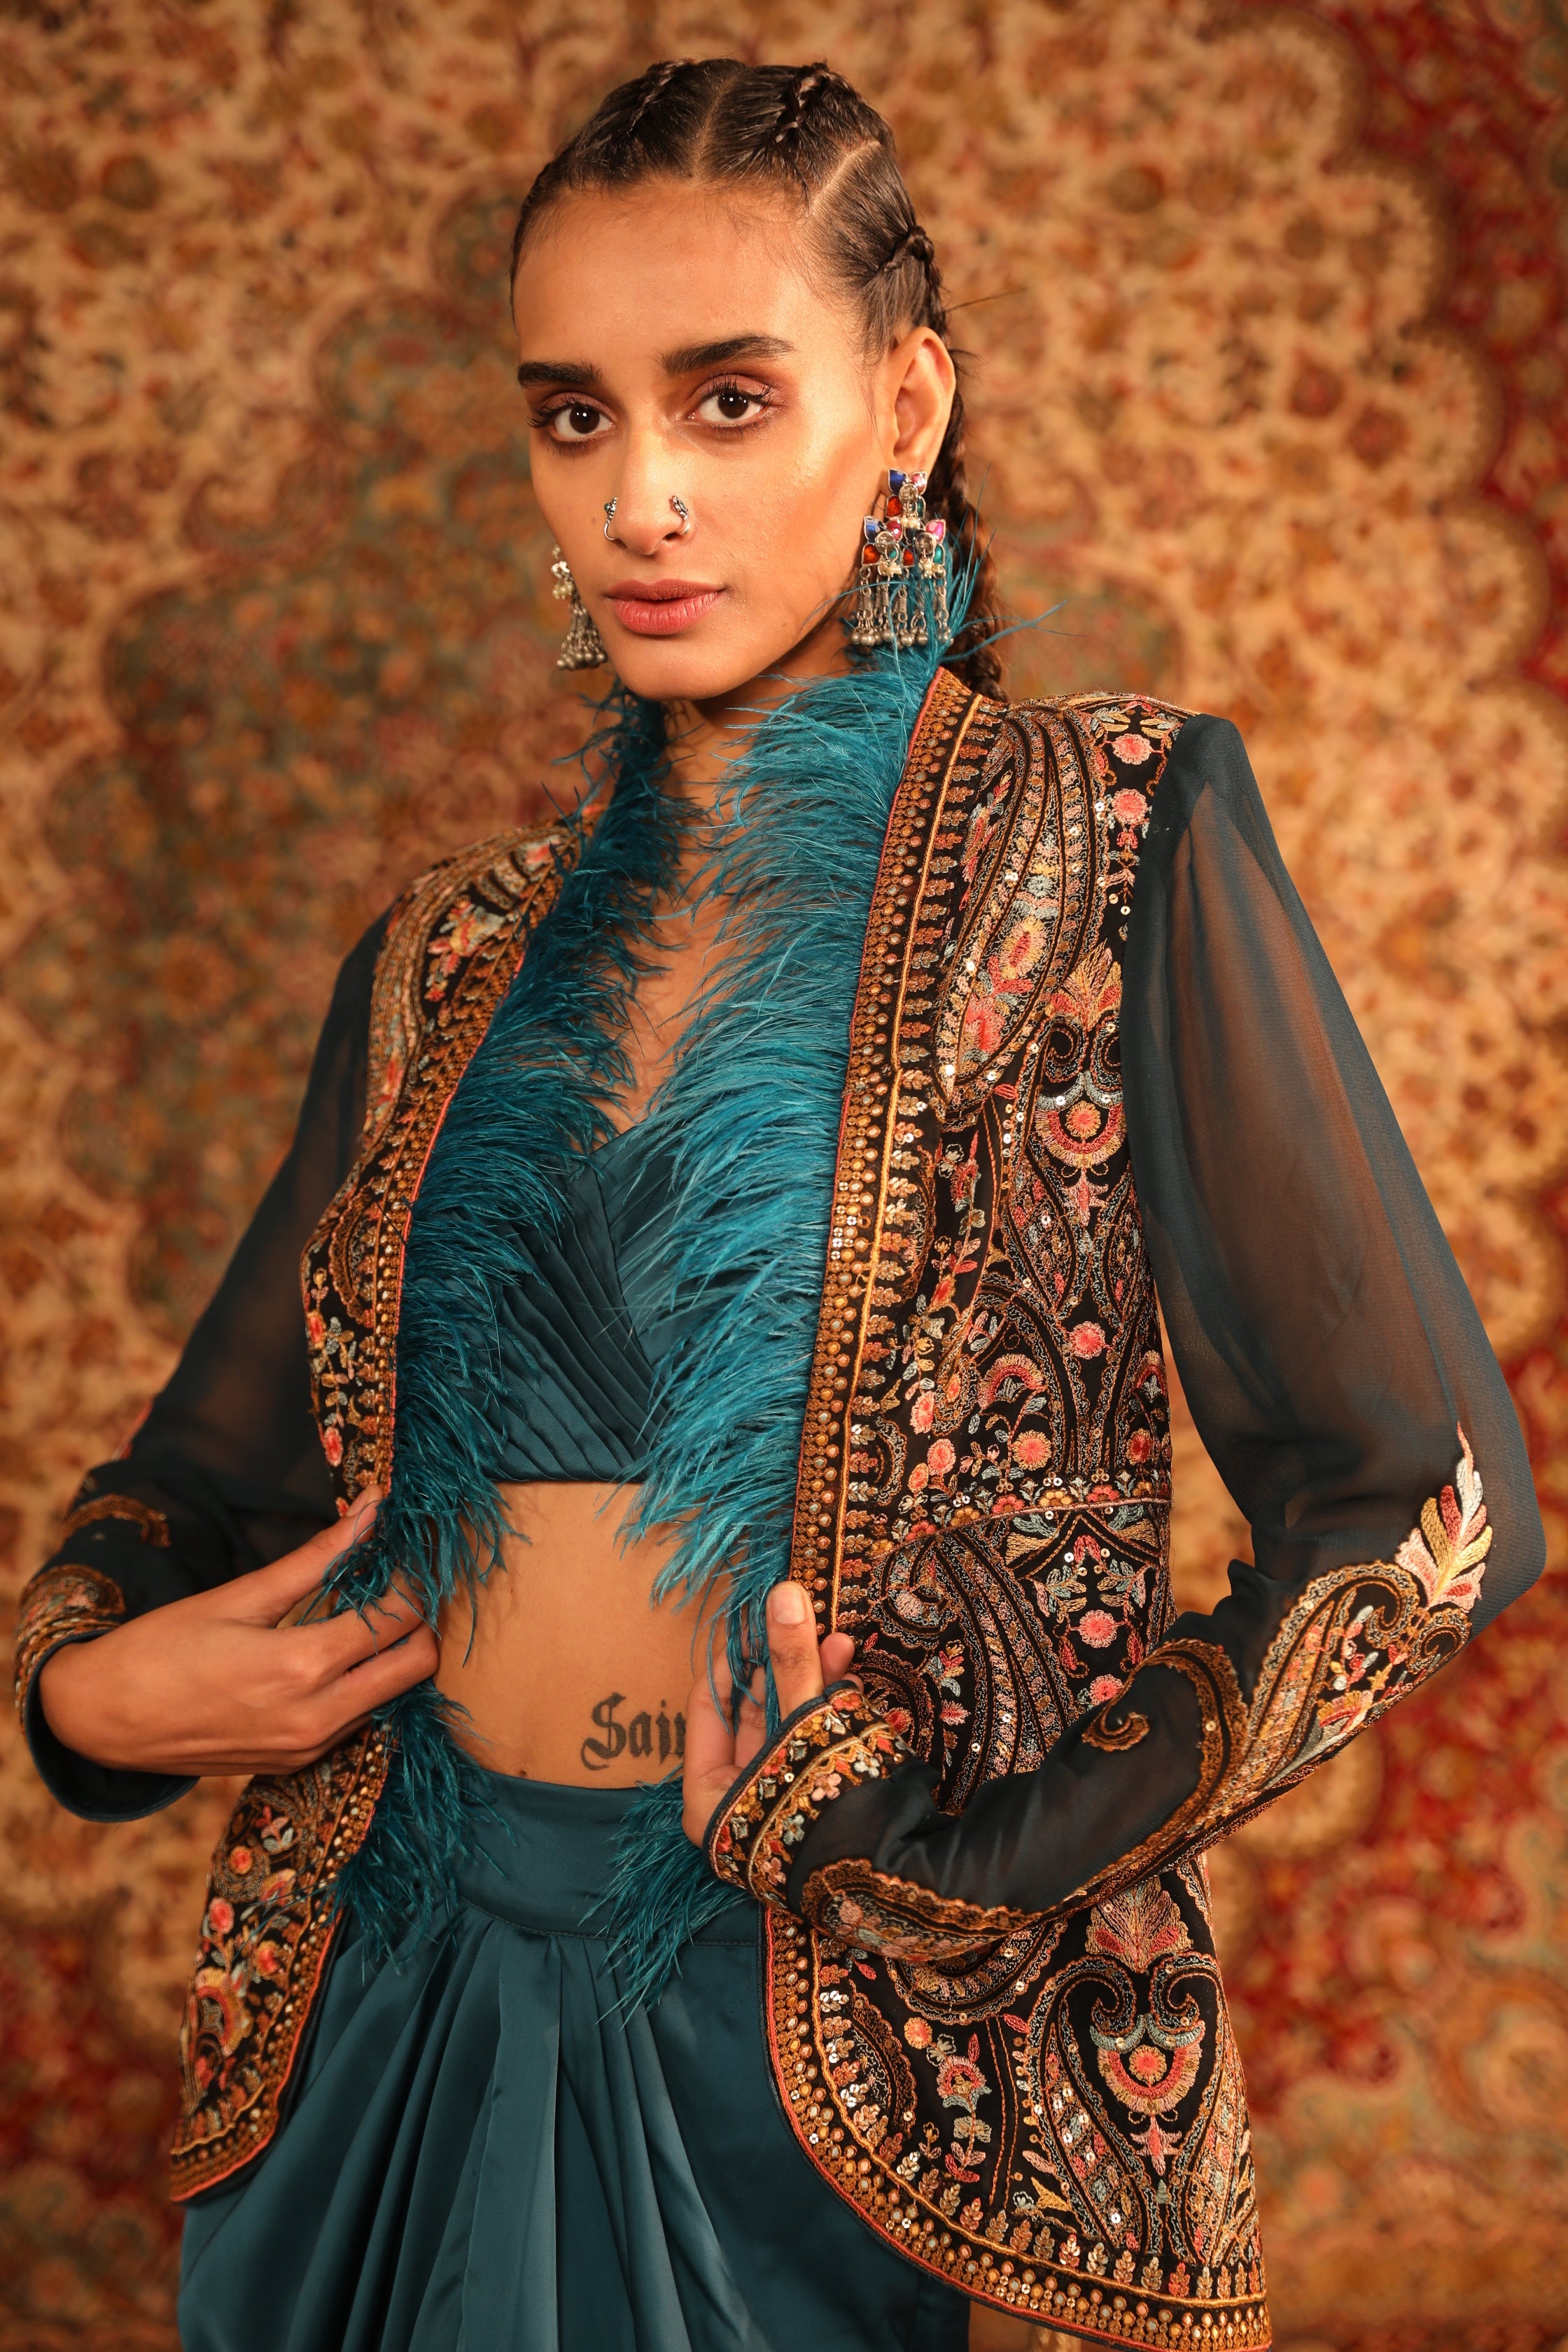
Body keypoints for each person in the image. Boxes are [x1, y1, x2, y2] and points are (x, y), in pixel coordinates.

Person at [13, 57, 1543, 2352]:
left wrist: (951, 1862)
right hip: (393, 2007)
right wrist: (85, 1693)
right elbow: (197, 1484)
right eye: (574, 415)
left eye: (726, 401)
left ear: (905, 404)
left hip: (830, 2059)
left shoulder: (1109, 842)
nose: (637, 495)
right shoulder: (451, 958)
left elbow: (1419, 1498)